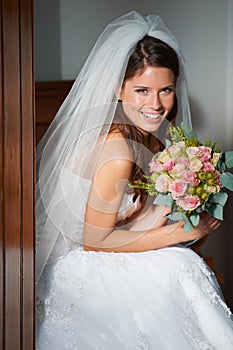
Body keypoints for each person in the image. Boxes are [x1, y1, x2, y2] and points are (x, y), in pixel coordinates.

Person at [36, 11, 233, 349]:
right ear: (118, 88)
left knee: (179, 265)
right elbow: (94, 240)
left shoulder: (145, 136)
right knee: (178, 269)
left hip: (105, 245)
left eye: (165, 90)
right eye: (142, 90)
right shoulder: (118, 151)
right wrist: (180, 232)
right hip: (81, 261)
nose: (155, 105)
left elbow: (131, 218)